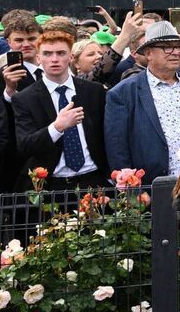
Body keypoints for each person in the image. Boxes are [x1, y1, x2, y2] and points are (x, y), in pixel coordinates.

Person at [104, 21, 180, 184]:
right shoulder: (123, 93)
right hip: (154, 187)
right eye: (167, 47)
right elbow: (117, 149)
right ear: (148, 53)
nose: (176, 52)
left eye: (179, 46)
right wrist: (131, 190)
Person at [11, 28, 108, 190]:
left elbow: (107, 135)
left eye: (61, 53)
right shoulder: (25, 98)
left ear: (70, 57)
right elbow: (25, 146)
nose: (54, 59)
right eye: (48, 54)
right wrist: (57, 127)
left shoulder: (94, 91)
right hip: (53, 184)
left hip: (94, 180)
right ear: (38, 58)